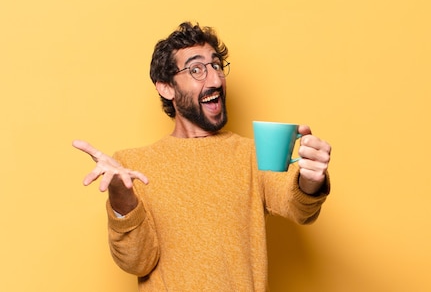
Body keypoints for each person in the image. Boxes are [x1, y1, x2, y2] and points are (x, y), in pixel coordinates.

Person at [72, 22, 332, 291]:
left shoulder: (252, 154)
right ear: (166, 88)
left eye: (217, 66)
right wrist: (122, 202)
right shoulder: (131, 166)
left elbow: (298, 206)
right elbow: (138, 262)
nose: (216, 80)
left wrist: (311, 179)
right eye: (196, 70)